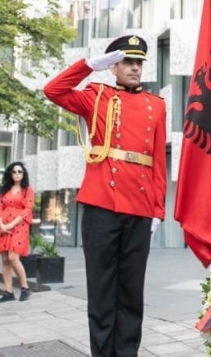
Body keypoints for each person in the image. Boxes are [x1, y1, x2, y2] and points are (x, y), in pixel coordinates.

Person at [43, 34, 167, 357]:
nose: (135, 68)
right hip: (101, 207)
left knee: (131, 294)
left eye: (139, 62)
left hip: (139, 209)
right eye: (128, 61)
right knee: (101, 292)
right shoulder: (96, 97)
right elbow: (52, 90)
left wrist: (158, 210)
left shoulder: (157, 106)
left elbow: (158, 163)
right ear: (113, 66)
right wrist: (88, 66)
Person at [0, 161, 34, 302]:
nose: (17, 174)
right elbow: (0, 207)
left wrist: (11, 225)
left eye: (20, 171)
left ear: (23, 174)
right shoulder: (5, 190)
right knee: (5, 260)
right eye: (14, 171)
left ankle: (25, 288)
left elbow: (27, 209)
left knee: (13, 258)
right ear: (10, 173)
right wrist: (2, 224)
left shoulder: (28, 190)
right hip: (4, 226)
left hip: (19, 226)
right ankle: (8, 292)